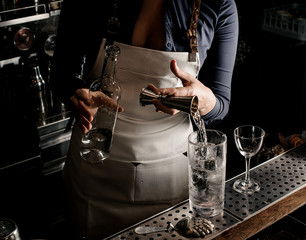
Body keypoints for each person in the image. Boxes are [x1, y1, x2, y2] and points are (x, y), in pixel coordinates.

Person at [51, 0, 238, 239]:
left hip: (170, 179)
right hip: (94, 166)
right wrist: (74, 94)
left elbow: (220, 104)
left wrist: (202, 100)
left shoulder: (219, 4)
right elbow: (60, 75)